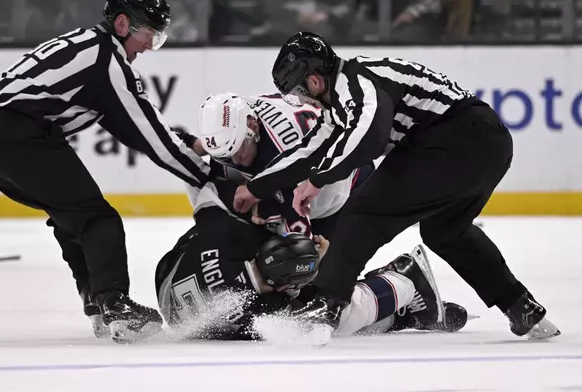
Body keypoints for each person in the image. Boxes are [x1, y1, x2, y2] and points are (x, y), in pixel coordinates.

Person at [232, 31, 560, 340]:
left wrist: (318, 180)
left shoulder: (357, 80)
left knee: (363, 212)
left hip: (456, 138)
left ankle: (324, 307)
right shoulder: (343, 103)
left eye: (299, 92)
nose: (302, 101)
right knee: (446, 232)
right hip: (489, 143)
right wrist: (256, 188)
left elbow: (369, 138)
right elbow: (308, 151)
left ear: (314, 80)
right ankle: (521, 306)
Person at [0, 0, 211, 343]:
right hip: (13, 134)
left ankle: (98, 301)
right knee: (96, 218)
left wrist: (185, 141)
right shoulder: (107, 61)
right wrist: (212, 181)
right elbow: (155, 143)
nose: (150, 46)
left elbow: (133, 127)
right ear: (123, 24)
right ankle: (114, 305)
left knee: (70, 213)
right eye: (149, 34)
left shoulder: (87, 45)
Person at [154, 180, 469, 341]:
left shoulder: (223, 236)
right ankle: (404, 283)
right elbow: (317, 314)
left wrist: (248, 206)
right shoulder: (269, 308)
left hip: (170, 279)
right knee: (334, 317)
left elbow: (208, 193)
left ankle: (400, 313)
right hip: (176, 292)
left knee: (316, 318)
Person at [190, 92, 373, 238]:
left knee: (322, 278)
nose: (235, 162)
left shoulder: (282, 157)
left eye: (238, 151)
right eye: (226, 157)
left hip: (346, 185)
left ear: (253, 127)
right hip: (304, 171)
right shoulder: (237, 119)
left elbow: (304, 254)